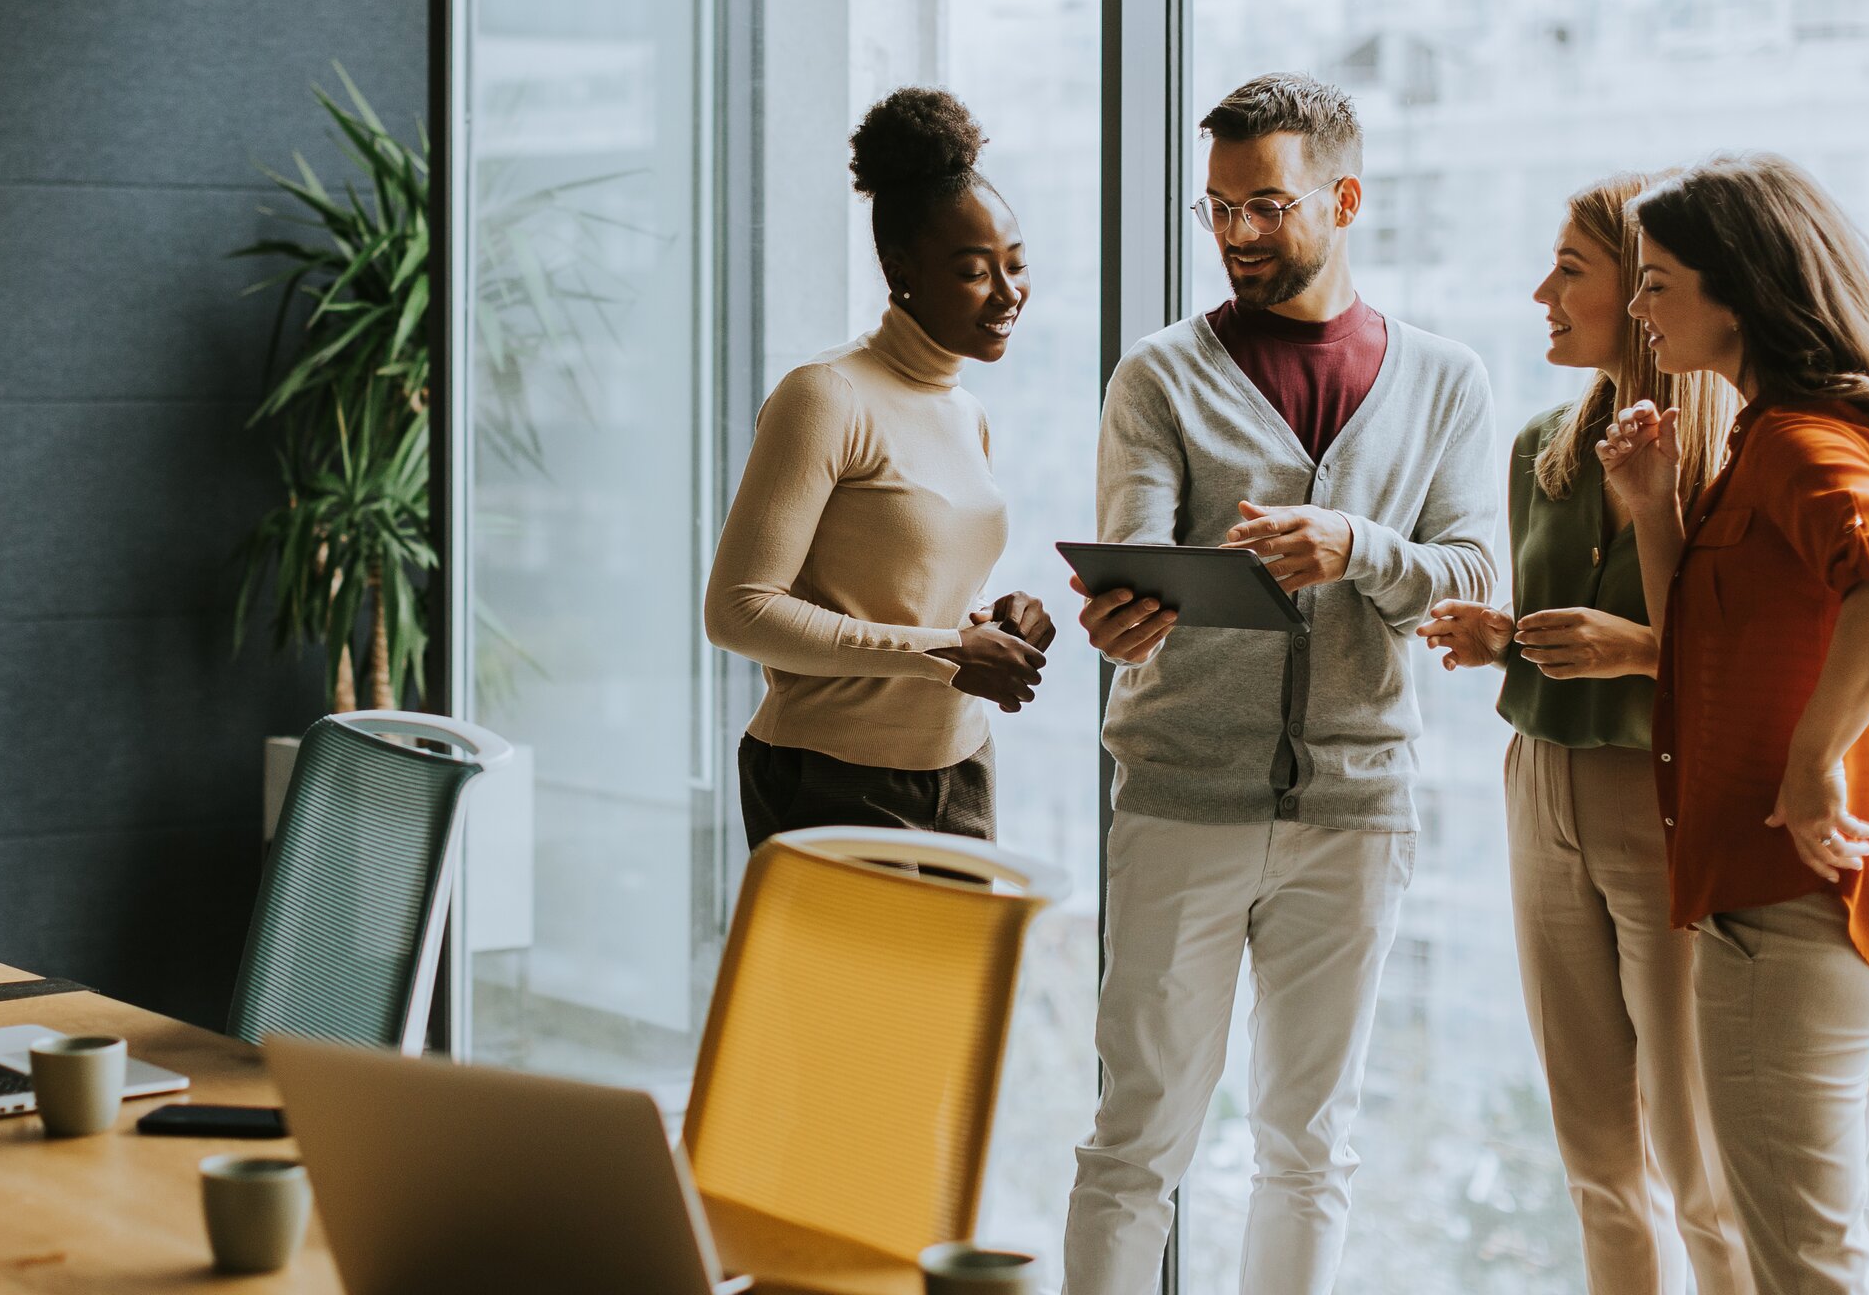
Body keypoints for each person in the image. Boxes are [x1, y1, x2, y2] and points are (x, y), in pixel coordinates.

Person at [1062, 72, 1497, 1295]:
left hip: (1356, 811)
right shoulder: (1159, 376)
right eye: (1217, 210)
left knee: (1310, 1145)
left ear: (1344, 197)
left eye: (1265, 206)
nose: (1237, 235)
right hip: (1179, 799)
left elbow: (1466, 572)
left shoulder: (1445, 380)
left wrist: (1355, 545)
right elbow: (1140, 558)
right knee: (1136, 1141)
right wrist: (1126, 620)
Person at [1596, 154, 1869, 1295]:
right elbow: (1700, 654)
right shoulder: (1772, 437)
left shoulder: (1804, 441)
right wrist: (1655, 513)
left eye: (1658, 284)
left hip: (1793, 912)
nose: (1642, 313)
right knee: (1798, 1256)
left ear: (1738, 291)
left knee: (1799, 1268)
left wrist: (1813, 766)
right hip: (1811, 918)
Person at [1415, 174, 1750, 1295]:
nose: (1542, 292)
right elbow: (1568, 631)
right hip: (1538, 788)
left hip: (1656, 807)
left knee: (1697, 1157)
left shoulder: (1726, 464)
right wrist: (1500, 635)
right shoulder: (1537, 454)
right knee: (1595, 1154)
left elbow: (1738, 659)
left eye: (1572, 269)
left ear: (1642, 291)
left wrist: (1635, 648)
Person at [703, 86, 1053, 849]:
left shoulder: (967, 412)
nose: (1007, 293)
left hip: (962, 773)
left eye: (1016, 264)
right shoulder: (825, 395)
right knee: (853, 980)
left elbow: (913, 586)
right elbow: (738, 612)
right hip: (830, 779)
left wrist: (991, 621)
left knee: (960, 978)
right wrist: (947, 653)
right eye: (973, 271)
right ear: (902, 271)